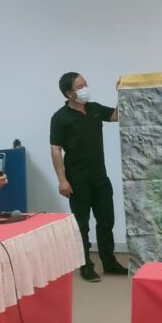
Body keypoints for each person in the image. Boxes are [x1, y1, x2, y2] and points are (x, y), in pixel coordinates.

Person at [50, 72, 129, 282]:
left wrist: (122, 91)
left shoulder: (94, 109)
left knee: (106, 221)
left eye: (85, 84)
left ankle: (109, 262)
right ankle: (85, 265)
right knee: (82, 225)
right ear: (69, 93)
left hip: (100, 177)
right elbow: (56, 149)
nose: (85, 89)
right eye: (80, 86)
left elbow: (117, 115)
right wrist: (62, 180)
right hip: (77, 180)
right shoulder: (60, 118)